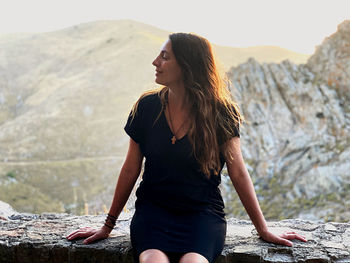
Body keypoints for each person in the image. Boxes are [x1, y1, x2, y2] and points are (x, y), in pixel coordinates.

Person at [67, 32, 307, 263]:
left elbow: (238, 172)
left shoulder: (221, 112)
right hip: (153, 214)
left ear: (187, 65)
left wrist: (263, 229)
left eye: (165, 56)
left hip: (201, 216)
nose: (155, 62)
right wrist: (107, 226)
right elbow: (130, 169)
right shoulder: (146, 107)